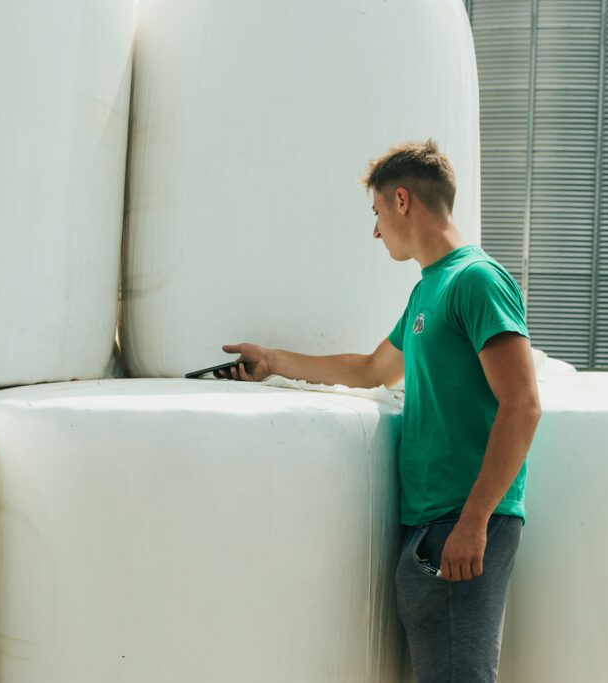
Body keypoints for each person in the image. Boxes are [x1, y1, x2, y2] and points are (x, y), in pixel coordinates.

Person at [216, 139, 541, 683]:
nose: (374, 230)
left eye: (376, 213)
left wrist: (474, 521)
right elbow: (371, 369)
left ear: (403, 200)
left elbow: (524, 405)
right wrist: (273, 362)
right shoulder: (427, 292)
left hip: (461, 519)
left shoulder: (476, 281)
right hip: (429, 522)